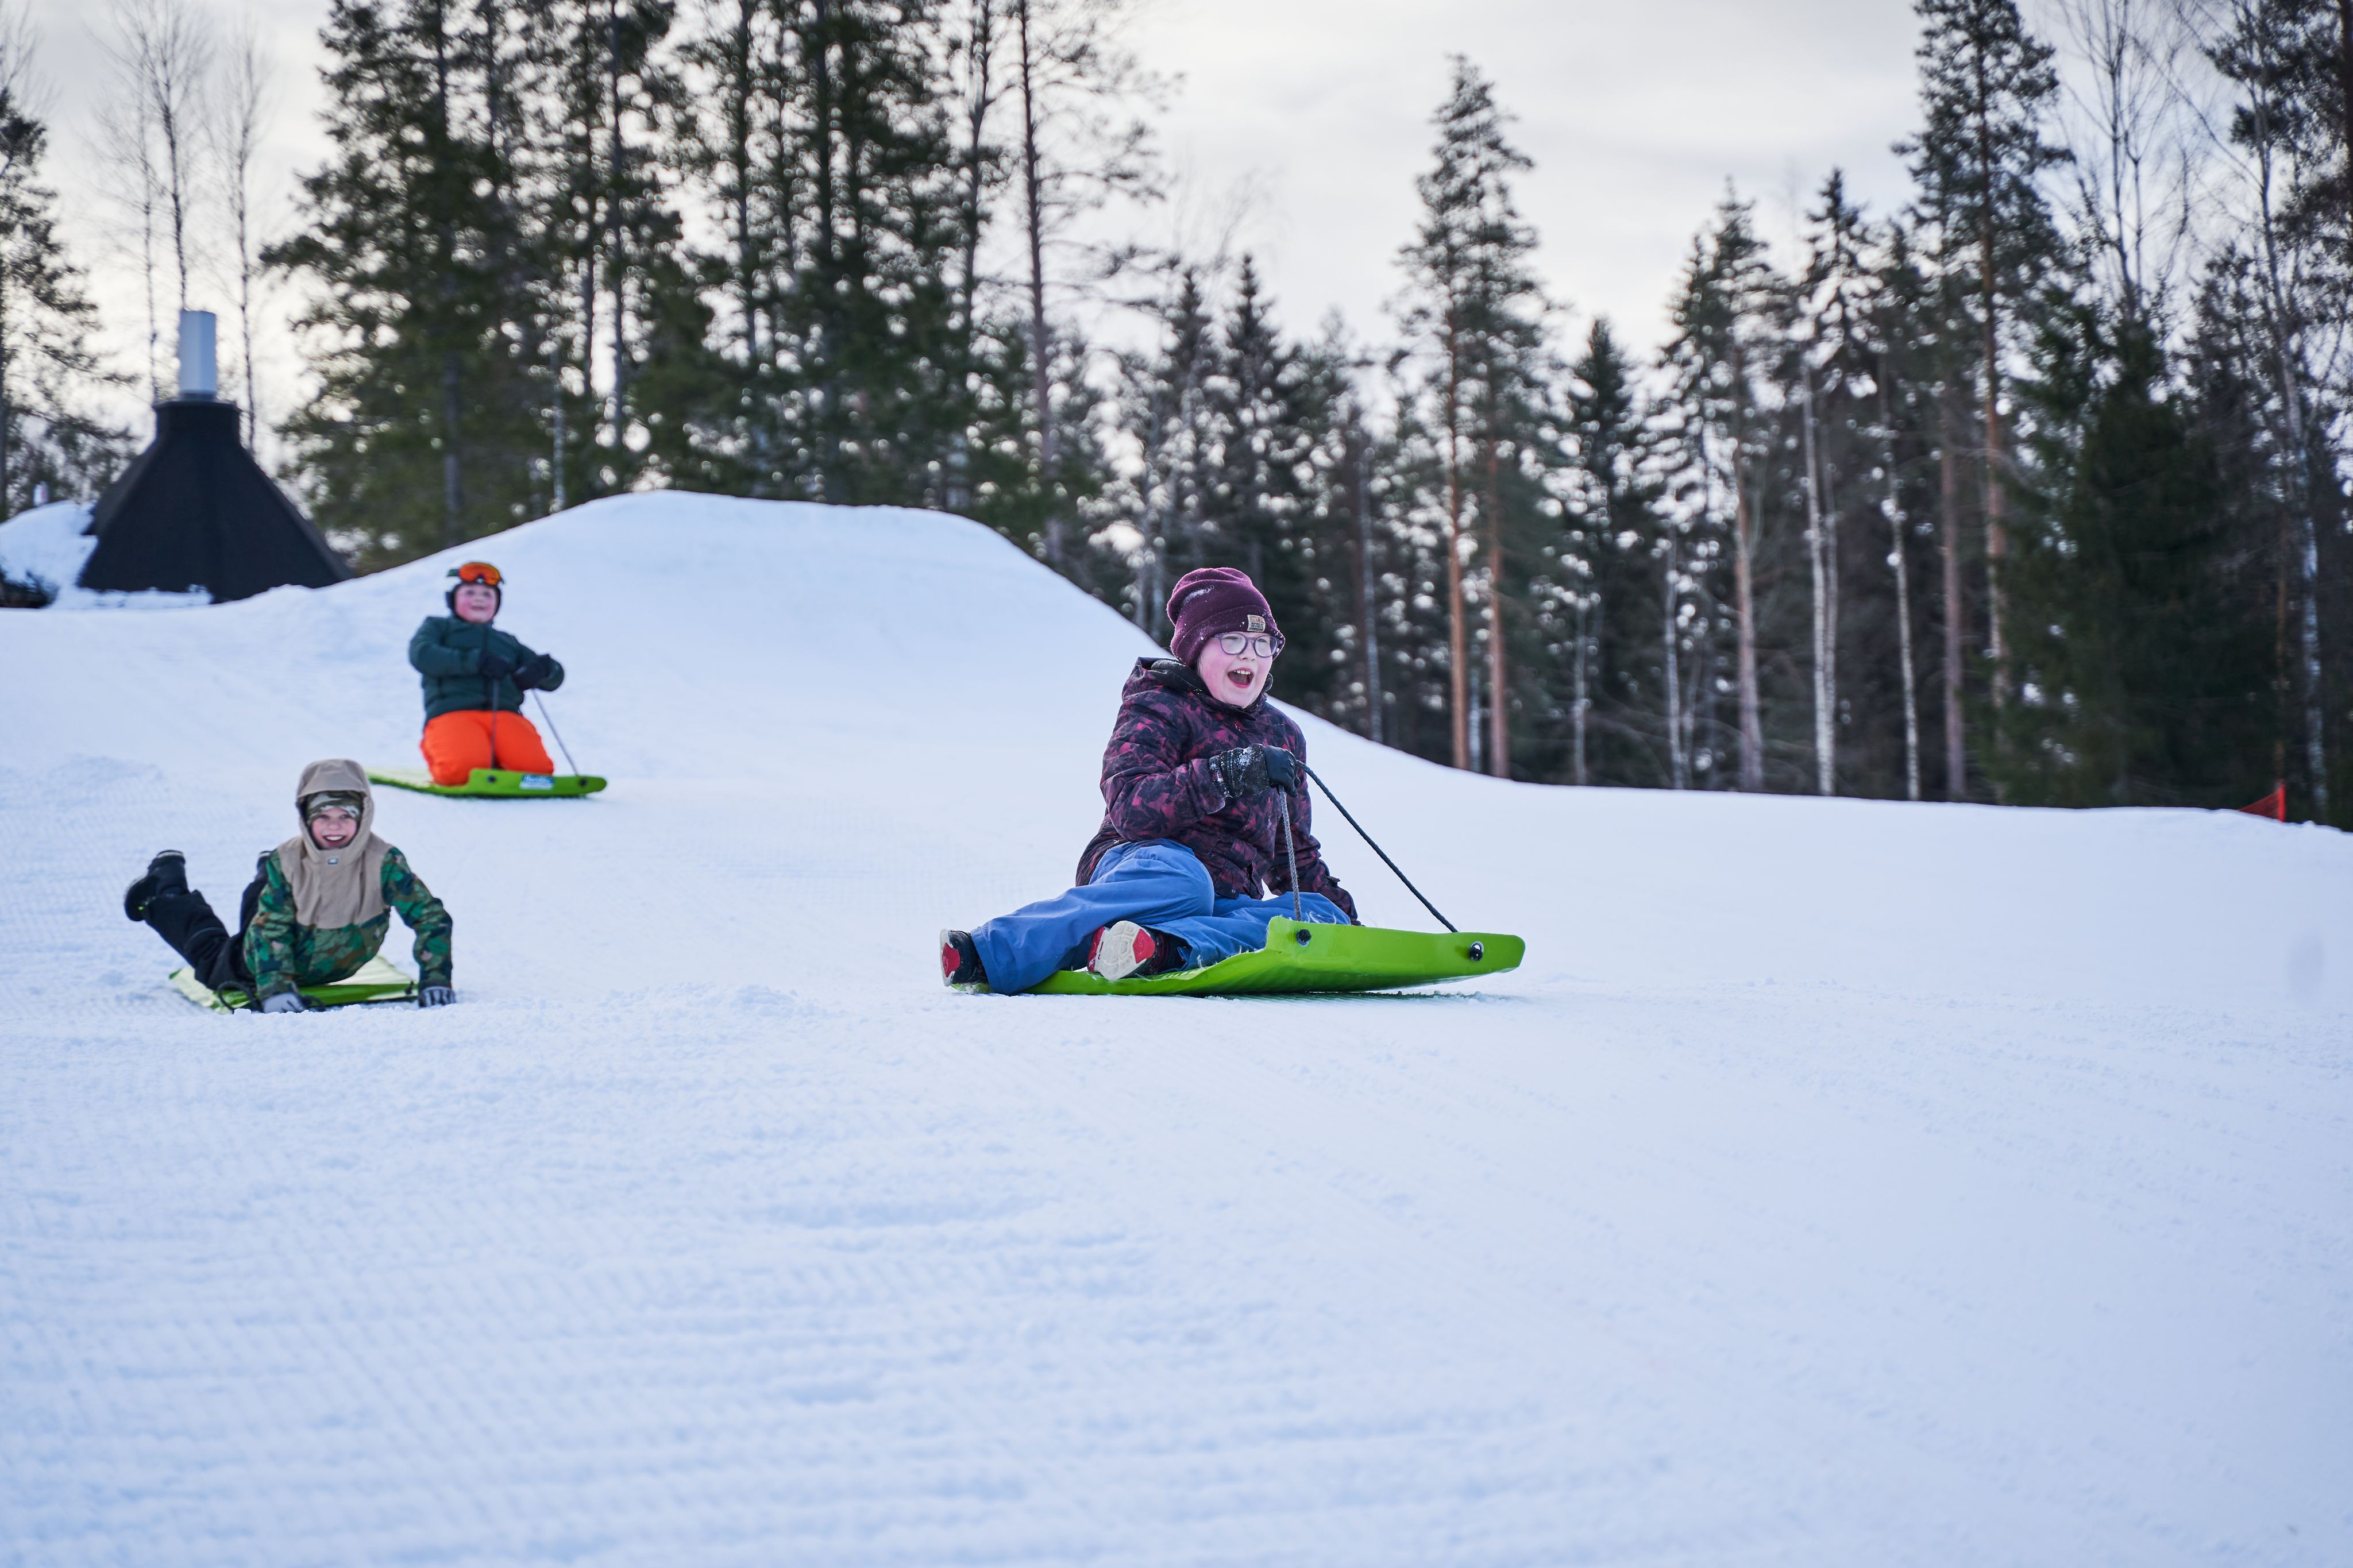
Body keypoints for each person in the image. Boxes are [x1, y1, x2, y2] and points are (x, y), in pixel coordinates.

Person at [942, 566, 1356, 992]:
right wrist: (1226, 775)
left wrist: (1347, 922)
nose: (1249, 655)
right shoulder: (1159, 705)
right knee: (1187, 883)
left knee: (1318, 916)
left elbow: (1293, 850)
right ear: (1197, 647)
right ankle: (991, 952)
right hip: (1143, 868)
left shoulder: (1283, 735)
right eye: (1232, 640)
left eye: (1262, 643)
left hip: (1224, 902)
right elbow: (1131, 808)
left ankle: (1159, 948)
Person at [123, 759, 455, 1011]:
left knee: (271, 901)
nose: (335, 827)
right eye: (323, 817)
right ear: (307, 820)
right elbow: (270, 930)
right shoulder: (290, 862)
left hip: (329, 957)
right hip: (276, 951)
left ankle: (264, 878)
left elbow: (430, 917)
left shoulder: (384, 862)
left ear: (363, 817)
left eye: (345, 817)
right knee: (214, 960)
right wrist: (275, 988)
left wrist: (436, 978)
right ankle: (166, 890)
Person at [407, 560, 567, 786]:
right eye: (470, 593)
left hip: (505, 715)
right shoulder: (439, 628)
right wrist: (475, 661)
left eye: (488, 595)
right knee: (461, 773)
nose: (479, 599)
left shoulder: (508, 642)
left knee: (536, 772)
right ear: (453, 600)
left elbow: (555, 677)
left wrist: (543, 670)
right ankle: (447, 751)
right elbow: (422, 654)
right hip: (454, 712)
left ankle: (495, 756)